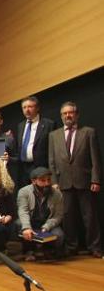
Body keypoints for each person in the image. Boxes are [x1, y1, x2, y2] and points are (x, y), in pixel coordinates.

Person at [48, 102, 101, 258]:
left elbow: (96, 159)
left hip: (85, 181)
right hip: (62, 183)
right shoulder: (54, 135)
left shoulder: (88, 132)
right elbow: (51, 161)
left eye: (70, 113)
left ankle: (95, 247)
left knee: (90, 216)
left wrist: (96, 180)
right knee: (68, 217)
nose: (67, 116)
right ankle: (71, 246)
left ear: (76, 114)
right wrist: (54, 181)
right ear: (61, 116)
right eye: (64, 113)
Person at [16, 167, 65, 261]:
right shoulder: (24, 192)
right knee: (19, 224)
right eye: (43, 180)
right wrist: (27, 227)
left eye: (49, 180)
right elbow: (23, 211)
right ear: (34, 181)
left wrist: (47, 226)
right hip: (31, 221)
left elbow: (58, 215)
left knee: (59, 235)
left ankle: (48, 251)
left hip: (48, 222)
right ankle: (28, 250)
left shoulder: (57, 194)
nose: (47, 183)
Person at [14, 96, 55, 187]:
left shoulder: (49, 124)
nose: (27, 110)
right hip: (24, 168)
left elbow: (53, 149)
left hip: (40, 167)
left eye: (30, 107)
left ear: (37, 108)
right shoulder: (20, 125)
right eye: (24, 107)